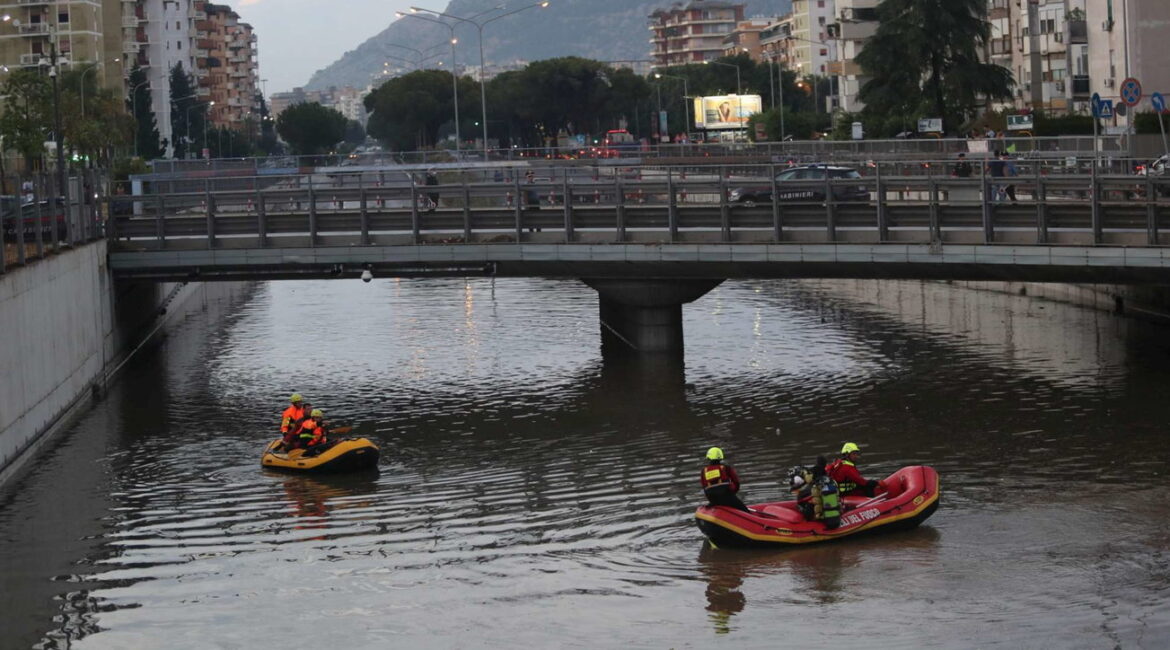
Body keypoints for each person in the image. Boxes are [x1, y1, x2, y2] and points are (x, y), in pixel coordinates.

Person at [788, 456, 840, 529]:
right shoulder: (830, 481)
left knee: (808, 504)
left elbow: (808, 479)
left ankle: (812, 520)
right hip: (834, 515)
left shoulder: (815, 486)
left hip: (821, 517)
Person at [700, 447, 750, 512]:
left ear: (708, 457)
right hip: (727, 496)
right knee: (745, 511)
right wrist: (732, 494)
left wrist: (712, 501)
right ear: (720, 456)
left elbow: (704, 487)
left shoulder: (704, 471)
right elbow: (736, 482)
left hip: (713, 500)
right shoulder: (725, 468)